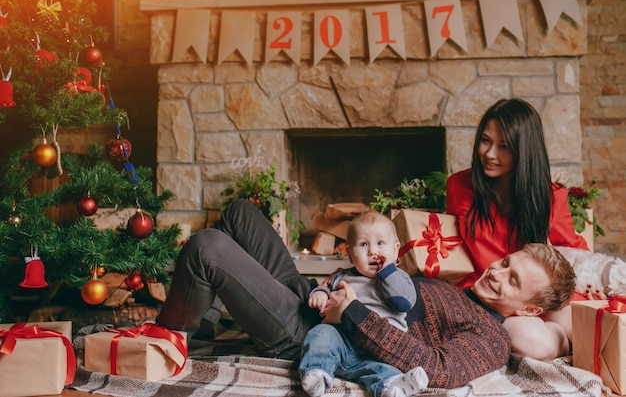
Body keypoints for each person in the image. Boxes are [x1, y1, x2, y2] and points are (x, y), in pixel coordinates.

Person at [156, 199, 575, 390]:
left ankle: (164, 344)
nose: (497, 273)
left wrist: (352, 313)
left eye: (513, 281)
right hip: (320, 298)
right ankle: (207, 317)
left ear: (531, 308)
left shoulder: (492, 339)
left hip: (318, 335)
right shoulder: (461, 288)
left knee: (207, 247)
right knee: (239, 213)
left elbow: (437, 368)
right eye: (504, 263)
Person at [446, 97, 589, 360]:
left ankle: (558, 331)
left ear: (525, 150)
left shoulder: (550, 196)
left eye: (504, 146)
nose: (490, 154)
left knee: (586, 322)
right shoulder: (459, 186)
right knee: (537, 346)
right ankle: (559, 341)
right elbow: (451, 248)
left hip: (534, 297)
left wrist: (587, 287)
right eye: (486, 141)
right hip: (489, 295)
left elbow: (572, 249)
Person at [299, 211, 426, 397]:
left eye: (381, 243)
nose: (373, 252)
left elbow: (402, 302)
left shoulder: (398, 278)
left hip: (378, 351)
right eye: (363, 244)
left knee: (384, 370)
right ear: (350, 254)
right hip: (342, 344)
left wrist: (388, 270)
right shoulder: (342, 276)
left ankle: (392, 386)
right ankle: (317, 373)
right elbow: (327, 287)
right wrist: (320, 294)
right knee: (320, 333)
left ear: (396, 249)